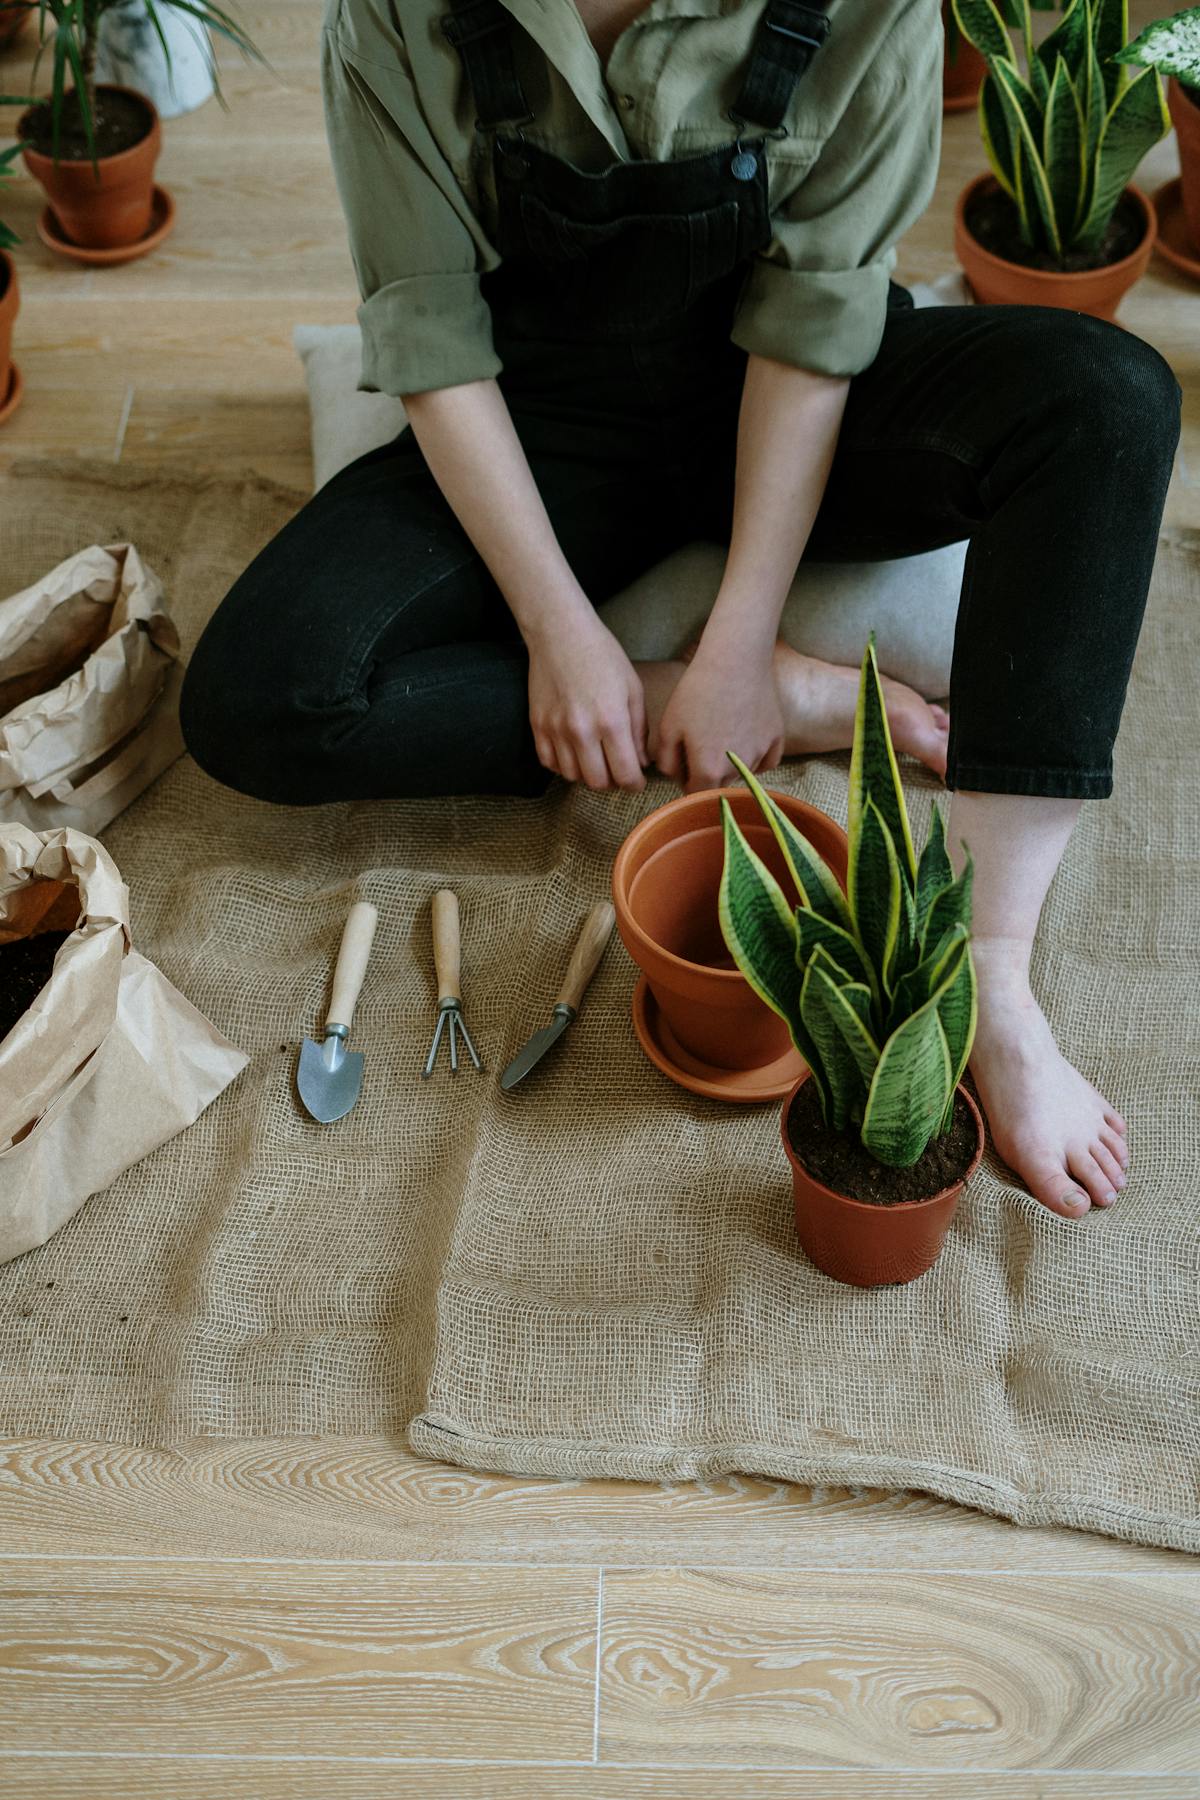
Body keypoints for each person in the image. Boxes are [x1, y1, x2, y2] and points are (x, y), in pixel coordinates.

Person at [180, 0, 1181, 1222]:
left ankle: (991, 974)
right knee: (255, 697)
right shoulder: (392, 14)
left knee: (1112, 405)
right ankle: (743, 696)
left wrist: (740, 639)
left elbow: (815, 324)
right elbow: (432, 341)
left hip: (796, 395)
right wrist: (565, 636)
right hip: (543, 417)